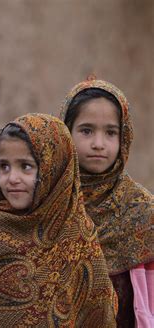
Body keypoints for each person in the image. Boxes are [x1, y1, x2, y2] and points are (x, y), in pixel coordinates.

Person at [0, 113, 117, 327]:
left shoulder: (79, 238)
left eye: (25, 166)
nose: (12, 178)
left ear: (55, 168)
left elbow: (99, 314)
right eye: (5, 166)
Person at [60, 77, 153, 327]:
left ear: (124, 137)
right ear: (65, 132)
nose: (98, 144)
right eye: (86, 130)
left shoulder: (143, 212)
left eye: (110, 132)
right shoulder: (49, 204)